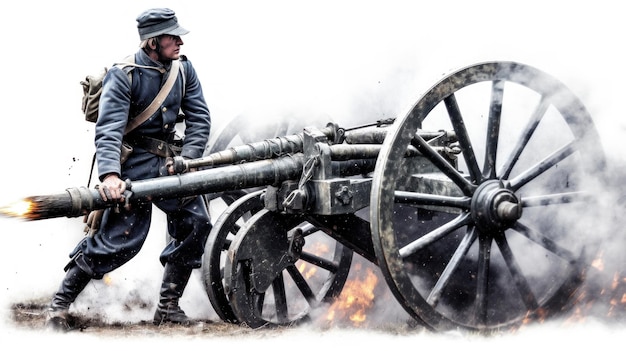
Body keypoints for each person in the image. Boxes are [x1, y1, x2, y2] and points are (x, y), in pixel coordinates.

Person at [46, 8, 212, 330]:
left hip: (171, 166)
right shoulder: (124, 75)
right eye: (171, 36)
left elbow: (200, 119)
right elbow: (108, 131)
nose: (179, 41)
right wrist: (110, 176)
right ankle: (59, 305)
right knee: (118, 241)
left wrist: (187, 159)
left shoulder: (184, 69)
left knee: (197, 223)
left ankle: (168, 307)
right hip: (132, 169)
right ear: (152, 42)